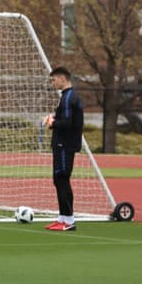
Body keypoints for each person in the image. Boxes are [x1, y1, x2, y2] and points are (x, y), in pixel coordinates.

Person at [44, 65, 84, 231]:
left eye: (54, 80)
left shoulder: (68, 97)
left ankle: (69, 220)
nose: (52, 83)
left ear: (62, 78)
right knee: (58, 179)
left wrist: (52, 122)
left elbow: (68, 123)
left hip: (64, 144)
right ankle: (62, 218)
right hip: (63, 143)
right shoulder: (67, 97)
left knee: (62, 179)